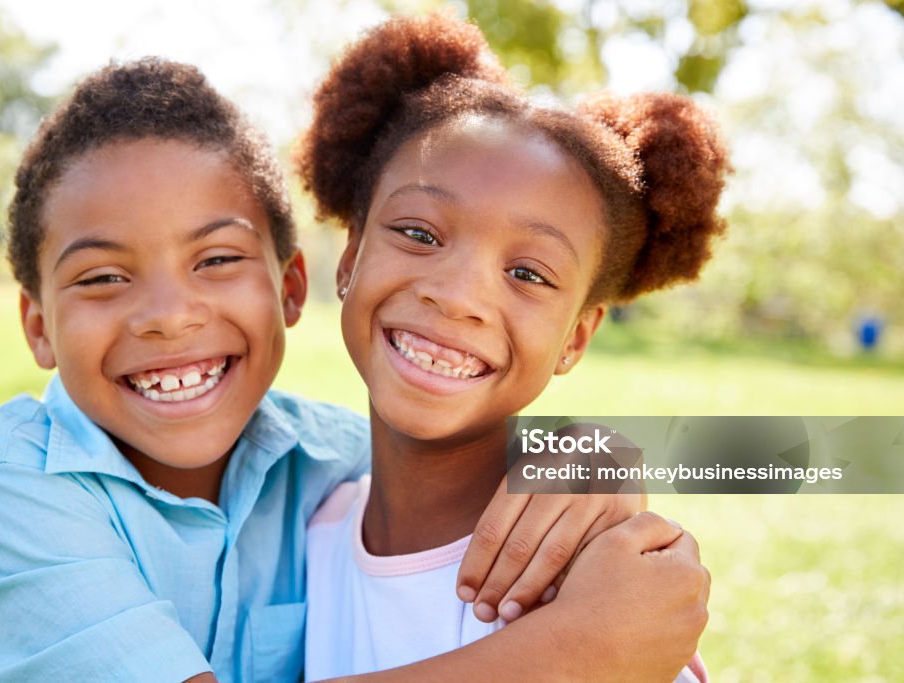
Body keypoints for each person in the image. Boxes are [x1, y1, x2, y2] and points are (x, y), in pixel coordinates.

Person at [0, 57, 708, 682]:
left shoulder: (321, 467)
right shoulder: (15, 486)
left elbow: (804, 449)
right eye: (103, 276)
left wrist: (593, 450)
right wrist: (583, 652)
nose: (167, 316)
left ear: (293, 285)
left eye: (216, 259)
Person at [297, 13, 726, 682]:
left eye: (528, 273)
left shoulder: (596, 588)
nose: (459, 295)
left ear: (576, 337)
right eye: (419, 232)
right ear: (349, 258)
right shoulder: (304, 526)